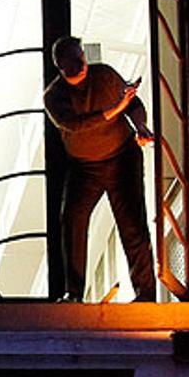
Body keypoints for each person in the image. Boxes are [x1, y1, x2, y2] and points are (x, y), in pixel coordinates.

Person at [43, 36, 157, 302]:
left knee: (132, 222)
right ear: (60, 66)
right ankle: (74, 293)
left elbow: (134, 105)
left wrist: (140, 127)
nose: (79, 65)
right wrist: (115, 108)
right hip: (84, 168)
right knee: (72, 220)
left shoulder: (104, 74)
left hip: (123, 157)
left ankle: (146, 293)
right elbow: (75, 125)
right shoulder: (54, 96)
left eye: (80, 58)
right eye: (71, 62)